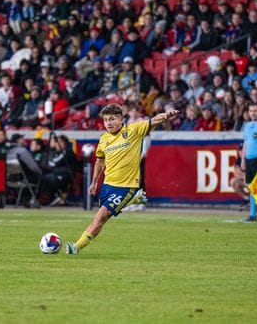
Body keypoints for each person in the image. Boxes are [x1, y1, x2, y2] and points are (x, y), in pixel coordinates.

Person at [66, 103, 179, 254]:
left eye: (112, 119)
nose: (109, 123)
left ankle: (76, 247)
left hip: (127, 185)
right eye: (106, 120)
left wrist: (165, 116)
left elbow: (153, 121)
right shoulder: (104, 139)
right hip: (107, 185)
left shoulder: (133, 130)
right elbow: (100, 162)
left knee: (100, 217)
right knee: (103, 219)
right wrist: (94, 183)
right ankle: (135, 199)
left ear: (121, 119)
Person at [231, 143, 250, 208]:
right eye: (240, 150)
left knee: (247, 180)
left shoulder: (251, 158)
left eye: (243, 150)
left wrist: (245, 176)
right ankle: (247, 199)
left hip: (255, 182)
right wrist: (244, 176)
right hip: (244, 180)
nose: (241, 152)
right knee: (233, 182)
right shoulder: (239, 159)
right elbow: (236, 173)